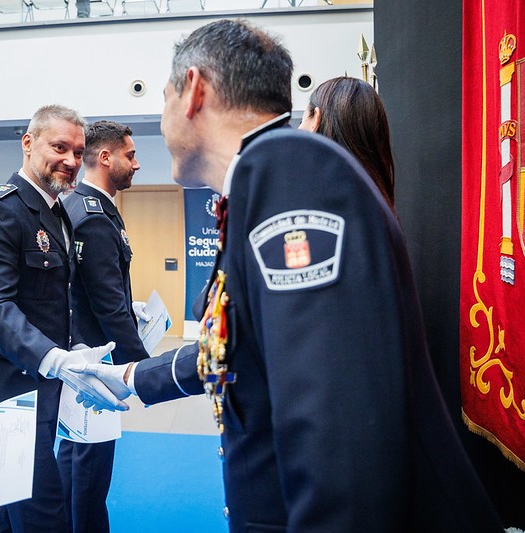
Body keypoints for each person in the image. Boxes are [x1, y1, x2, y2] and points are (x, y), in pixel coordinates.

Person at [70, 19, 503, 531]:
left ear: (193, 90)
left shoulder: (286, 172)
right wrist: (130, 378)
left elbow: (338, 443)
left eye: (163, 99)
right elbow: (239, 342)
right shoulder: (268, 175)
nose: (159, 125)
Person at [0, 104, 127, 533]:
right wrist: (53, 358)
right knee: (43, 515)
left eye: (77, 151)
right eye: (59, 147)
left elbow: (55, 299)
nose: (70, 161)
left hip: (44, 387)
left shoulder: (56, 211)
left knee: (4, 514)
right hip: (7, 394)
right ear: (28, 143)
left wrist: (77, 347)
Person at [58, 120, 150, 533]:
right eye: (131, 155)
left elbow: (102, 290)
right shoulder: (93, 215)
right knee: (90, 471)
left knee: (75, 458)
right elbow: (107, 305)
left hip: (83, 352)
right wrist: (143, 369)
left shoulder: (84, 205)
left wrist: (131, 307)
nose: (137, 163)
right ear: (106, 157)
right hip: (96, 359)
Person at [299, 75, 396, 209]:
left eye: (302, 121)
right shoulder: (379, 208)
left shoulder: (304, 204)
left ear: (315, 119)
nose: (298, 129)